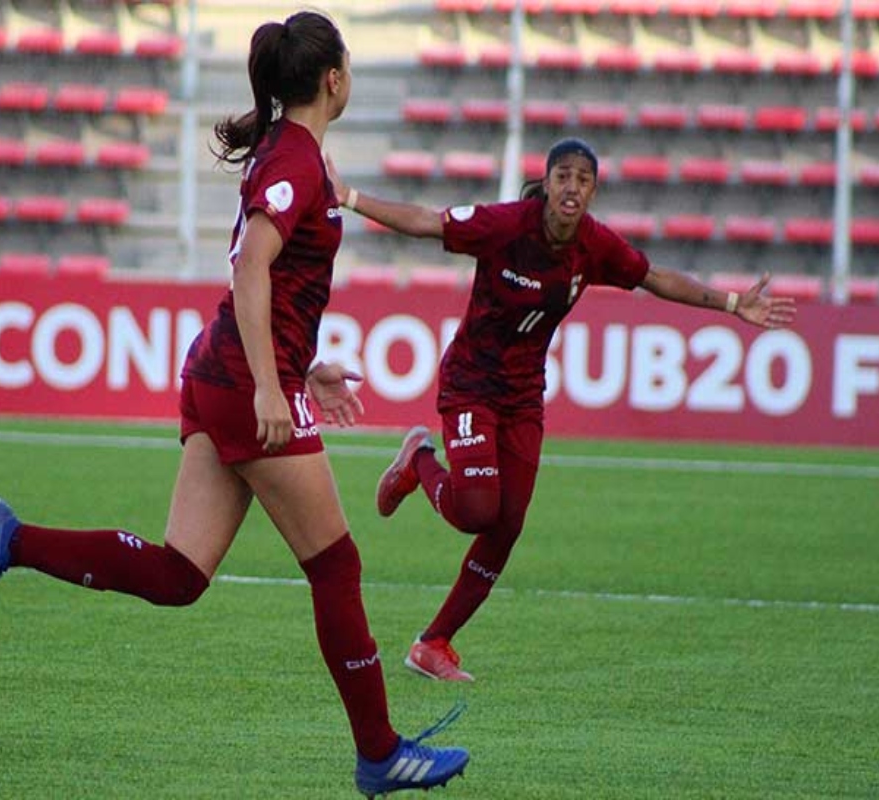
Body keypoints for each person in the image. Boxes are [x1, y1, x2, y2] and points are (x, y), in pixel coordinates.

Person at [0, 11, 469, 797]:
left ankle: (12, 538)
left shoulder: (295, 156)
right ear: (334, 79)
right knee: (337, 563)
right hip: (240, 382)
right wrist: (268, 381)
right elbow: (251, 267)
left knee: (181, 573)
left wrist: (301, 364)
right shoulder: (294, 158)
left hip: (224, 371)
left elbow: (273, 283)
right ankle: (379, 752)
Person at [327, 137, 797, 682]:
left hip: (523, 395)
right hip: (471, 385)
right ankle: (418, 462)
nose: (572, 187)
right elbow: (428, 221)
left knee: (507, 526)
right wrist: (351, 197)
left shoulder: (595, 246)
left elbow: (654, 277)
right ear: (547, 183)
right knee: (477, 510)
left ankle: (434, 643)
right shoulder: (505, 225)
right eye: (563, 177)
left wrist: (734, 304)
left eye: (583, 180)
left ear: (593, 191)